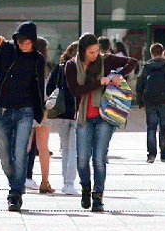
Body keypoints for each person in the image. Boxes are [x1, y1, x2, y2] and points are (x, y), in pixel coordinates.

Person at [66, 33, 137, 211]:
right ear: (82, 51)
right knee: (82, 159)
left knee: (99, 158)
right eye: (91, 52)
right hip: (84, 117)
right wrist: (100, 82)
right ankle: (85, 187)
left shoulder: (106, 60)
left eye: (97, 50)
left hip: (105, 116)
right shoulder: (72, 65)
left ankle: (98, 197)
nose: (95, 54)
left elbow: (132, 62)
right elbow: (76, 91)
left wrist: (117, 75)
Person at [0, 21, 46, 212]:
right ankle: (16, 184)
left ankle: (15, 194)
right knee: (4, 155)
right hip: (1, 110)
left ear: (33, 41)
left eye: (28, 42)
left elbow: (39, 87)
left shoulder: (38, 59)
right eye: (20, 41)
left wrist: (39, 112)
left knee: (20, 153)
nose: (24, 45)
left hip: (24, 111)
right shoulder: (6, 50)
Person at [47, 41, 79, 194]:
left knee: (66, 149)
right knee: (72, 149)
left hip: (60, 112)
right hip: (77, 113)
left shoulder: (58, 68)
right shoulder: (83, 69)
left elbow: (48, 89)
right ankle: (68, 183)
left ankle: (66, 182)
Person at [30, 37, 54, 193]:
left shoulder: (27, 64)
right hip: (44, 111)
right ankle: (45, 182)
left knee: (25, 146)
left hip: (27, 109)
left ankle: (22, 180)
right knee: (43, 147)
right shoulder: (46, 68)